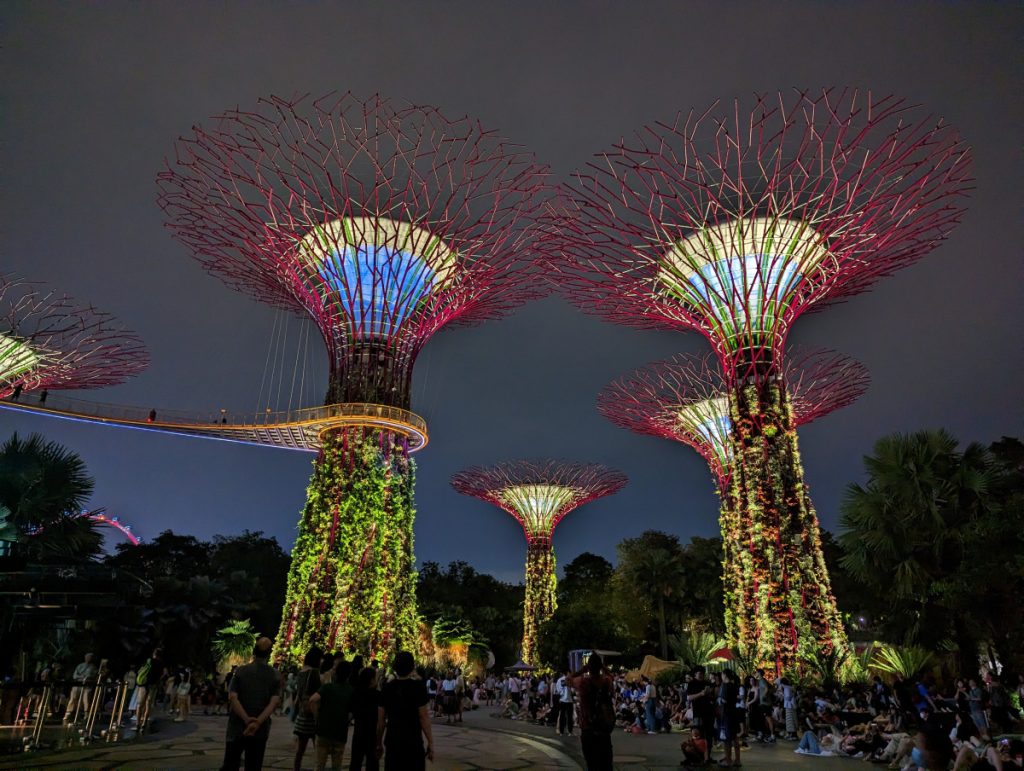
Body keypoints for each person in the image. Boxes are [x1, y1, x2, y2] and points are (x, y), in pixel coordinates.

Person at [221, 637, 280, 771]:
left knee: (230, 763)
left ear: (254, 651)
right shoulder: (274, 675)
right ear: (269, 653)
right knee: (254, 765)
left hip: (237, 727)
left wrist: (247, 719)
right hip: (260, 730)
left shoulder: (241, 671)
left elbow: (233, 697)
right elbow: (273, 702)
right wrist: (257, 722)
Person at [377, 651, 433, 770]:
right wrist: (430, 742)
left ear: (395, 667)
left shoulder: (387, 688)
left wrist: (378, 742)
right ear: (412, 667)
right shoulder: (418, 688)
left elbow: (381, 720)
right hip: (413, 740)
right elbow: (423, 717)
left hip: (393, 739)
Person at [572, 653, 615, 771]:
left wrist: (582, 670)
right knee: (606, 764)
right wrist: (604, 669)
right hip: (603, 728)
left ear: (588, 667)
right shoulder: (606, 682)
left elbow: (569, 679)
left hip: (588, 727)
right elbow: (612, 677)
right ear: (600, 667)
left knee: (592, 764)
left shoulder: (583, 683)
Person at [309, 658, 353, 771]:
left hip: (323, 730)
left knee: (319, 765)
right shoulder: (351, 690)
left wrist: (317, 716)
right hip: (340, 732)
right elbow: (353, 710)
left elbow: (313, 700)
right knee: (337, 766)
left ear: (336, 673)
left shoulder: (327, 687)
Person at [293, 648, 323, 771]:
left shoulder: (301, 672)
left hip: (302, 715)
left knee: (300, 750)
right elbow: (315, 695)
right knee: (319, 749)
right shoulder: (314, 672)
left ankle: (296, 768)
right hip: (312, 715)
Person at [349, 667, 380, 771]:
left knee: (355, 762)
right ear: (371, 680)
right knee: (372, 763)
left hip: (358, 732)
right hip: (372, 733)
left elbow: (351, 712)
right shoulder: (377, 696)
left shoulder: (355, 693)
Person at [64, 653, 98, 723]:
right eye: (87, 657)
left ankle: (86, 715)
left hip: (87, 685)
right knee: (73, 698)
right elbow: (75, 675)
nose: (88, 658)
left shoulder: (93, 667)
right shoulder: (80, 665)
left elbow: (91, 675)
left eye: (90, 657)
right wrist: (81, 677)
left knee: (86, 699)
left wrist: (85, 677)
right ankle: (68, 713)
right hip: (78, 683)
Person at [555, 668, 575, 736]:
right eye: (570, 673)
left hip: (566, 700)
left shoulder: (570, 680)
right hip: (565, 700)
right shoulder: (561, 680)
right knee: (566, 716)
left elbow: (572, 690)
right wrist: (563, 692)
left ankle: (563, 731)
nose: (571, 675)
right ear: (567, 673)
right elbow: (558, 689)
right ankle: (567, 731)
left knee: (565, 716)